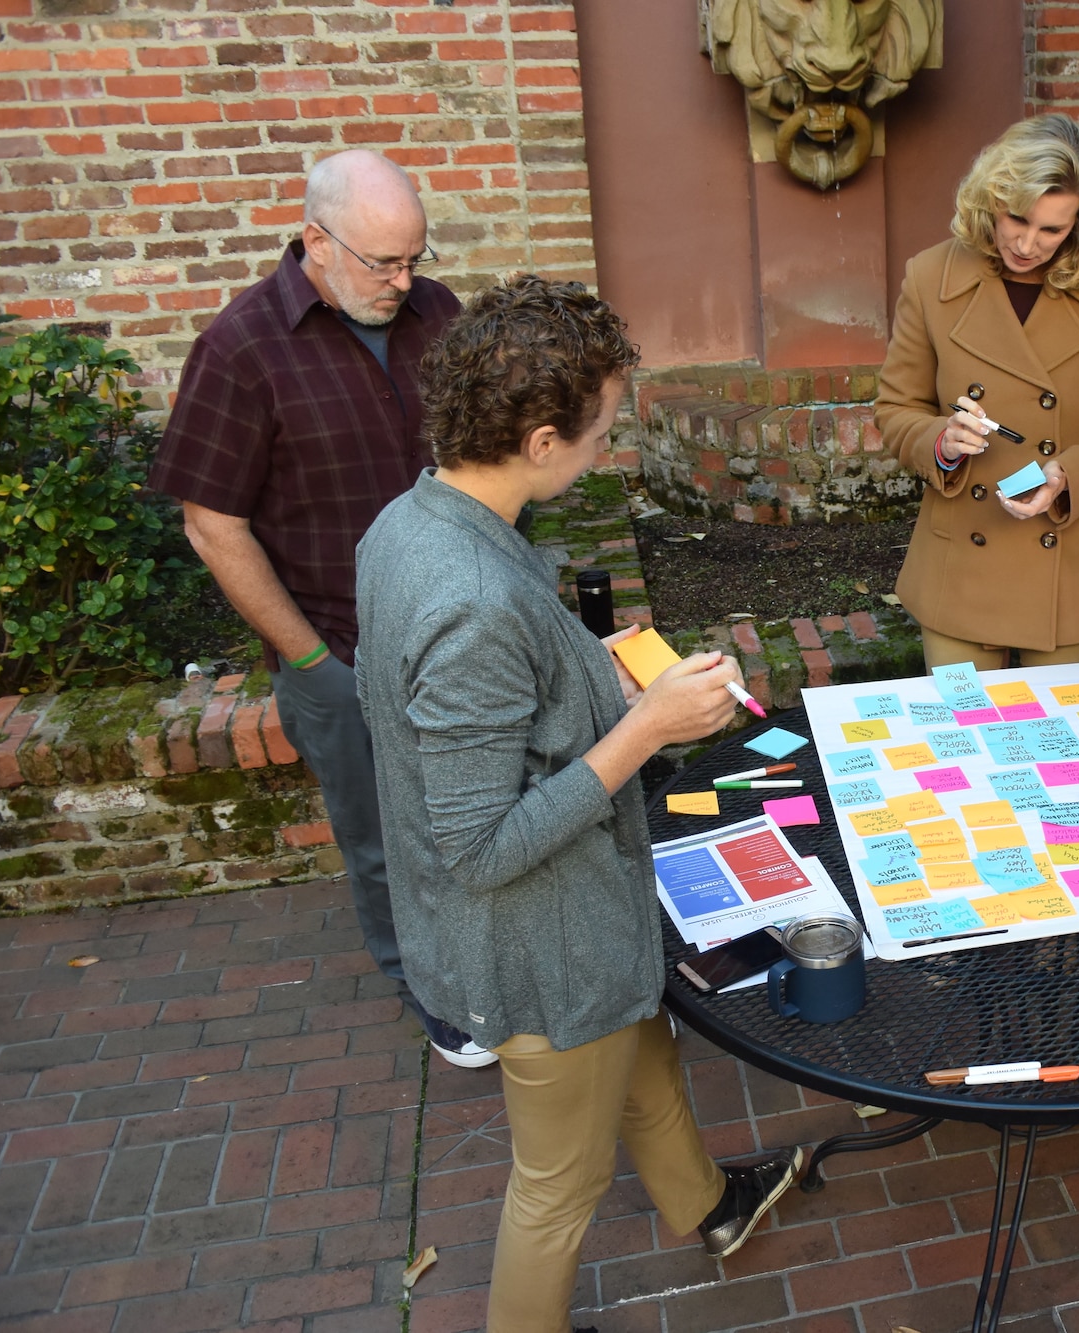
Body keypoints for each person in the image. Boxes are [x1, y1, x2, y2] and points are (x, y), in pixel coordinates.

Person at [355, 274, 799, 1331]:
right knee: (556, 1187)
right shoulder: (473, 596)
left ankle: (708, 1202)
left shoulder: (413, 519)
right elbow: (480, 843)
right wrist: (644, 727)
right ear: (543, 439)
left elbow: (471, 709)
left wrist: (593, 672)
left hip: (577, 942)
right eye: (600, 431)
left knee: (639, 1039)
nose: (607, 448)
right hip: (533, 941)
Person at [146, 150, 490, 1067]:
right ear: (315, 241)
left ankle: (494, 959)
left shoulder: (440, 315)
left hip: (462, 636)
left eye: (413, 257)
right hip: (339, 650)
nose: (402, 281)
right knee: (387, 844)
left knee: (483, 813)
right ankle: (433, 989)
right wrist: (311, 667)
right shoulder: (241, 348)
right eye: (382, 262)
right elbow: (212, 524)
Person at [875, 113, 1079, 670]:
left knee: (1059, 747)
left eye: (1053, 230)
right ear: (991, 198)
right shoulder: (929, 277)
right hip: (961, 564)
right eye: (1017, 219)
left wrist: (1068, 476)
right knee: (967, 739)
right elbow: (895, 408)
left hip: (1068, 560)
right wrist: (942, 440)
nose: (1028, 245)